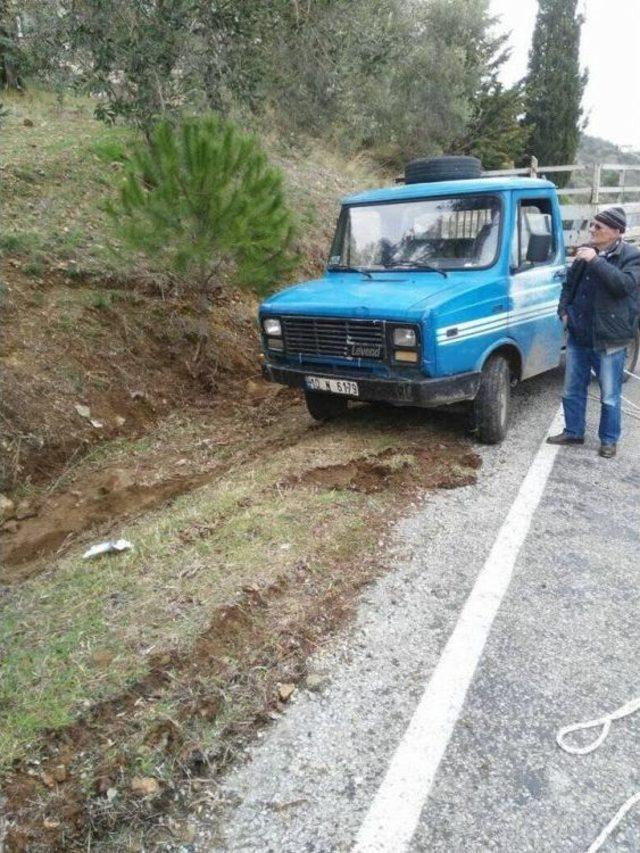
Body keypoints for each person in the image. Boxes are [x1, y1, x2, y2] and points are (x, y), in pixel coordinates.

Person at [547, 206, 640, 458]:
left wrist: (595, 261)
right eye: (592, 225)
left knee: (609, 394)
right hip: (579, 333)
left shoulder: (631, 256)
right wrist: (563, 310)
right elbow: (569, 284)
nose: (592, 230)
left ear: (616, 231)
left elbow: (624, 286)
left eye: (598, 227)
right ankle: (573, 432)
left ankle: (609, 440)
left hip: (609, 338)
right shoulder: (587, 252)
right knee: (572, 388)